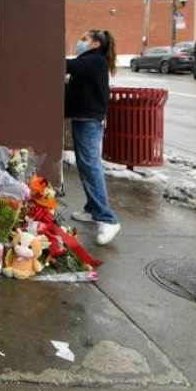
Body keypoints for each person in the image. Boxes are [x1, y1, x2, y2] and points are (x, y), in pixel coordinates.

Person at [65, 29, 119, 245]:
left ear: (96, 44)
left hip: (88, 121)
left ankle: (107, 219)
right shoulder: (90, 61)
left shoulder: (94, 61)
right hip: (84, 119)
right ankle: (91, 208)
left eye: (84, 39)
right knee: (86, 166)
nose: (81, 42)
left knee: (91, 166)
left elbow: (69, 66)